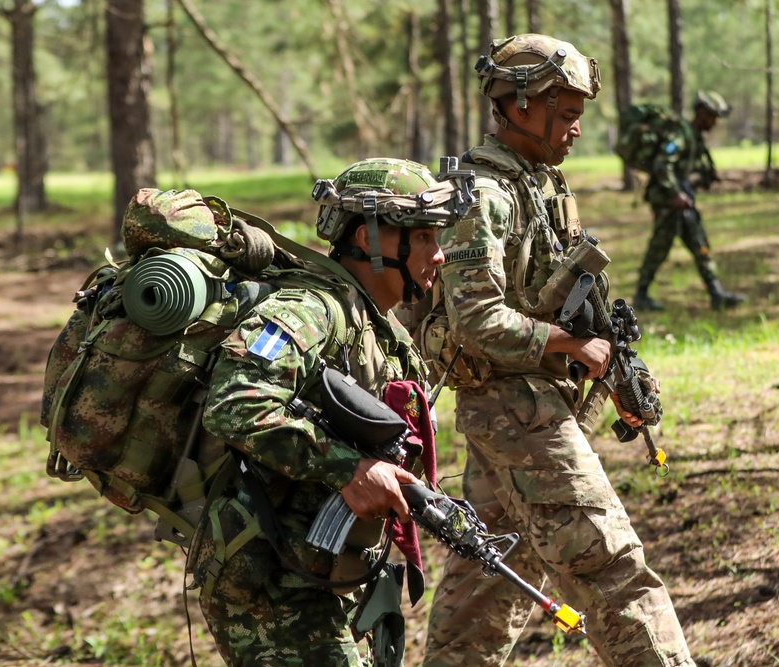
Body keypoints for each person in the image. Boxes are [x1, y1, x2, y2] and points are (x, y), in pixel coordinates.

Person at [421, 34, 697, 667]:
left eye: (578, 116)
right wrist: (572, 345)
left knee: (486, 590)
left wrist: (612, 373)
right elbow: (474, 320)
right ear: (517, 107)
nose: (575, 131)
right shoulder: (483, 195)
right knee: (610, 571)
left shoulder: (539, 185)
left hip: (528, 406)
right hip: (517, 410)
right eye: (565, 115)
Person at [189, 158, 475, 666]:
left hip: (322, 571)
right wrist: (351, 469)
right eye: (425, 236)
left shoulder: (377, 324)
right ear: (367, 239)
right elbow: (235, 402)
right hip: (272, 583)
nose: (439, 254)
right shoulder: (308, 310)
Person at [632, 90, 745, 312]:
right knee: (659, 248)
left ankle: (716, 293)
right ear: (701, 113)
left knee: (699, 244)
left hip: (682, 203)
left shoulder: (695, 138)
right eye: (712, 116)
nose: (714, 122)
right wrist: (675, 194)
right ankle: (641, 295)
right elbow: (662, 165)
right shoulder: (680, 135)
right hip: (668, 204)